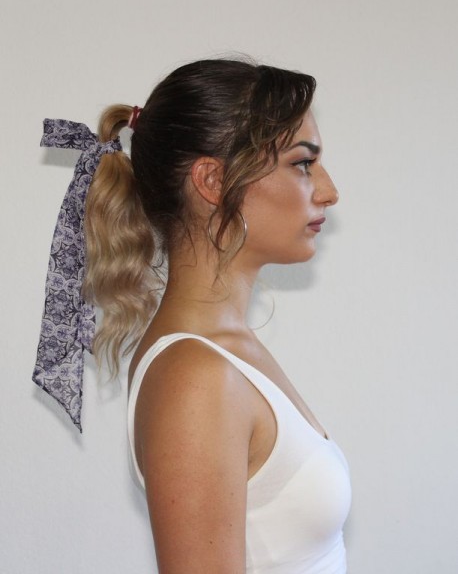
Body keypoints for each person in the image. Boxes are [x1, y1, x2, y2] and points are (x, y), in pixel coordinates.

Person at [83, 58, 351, 572]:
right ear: (213, 181)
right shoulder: (197, 377)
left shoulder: (224, 351)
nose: (328, 190)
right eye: (302, 163)